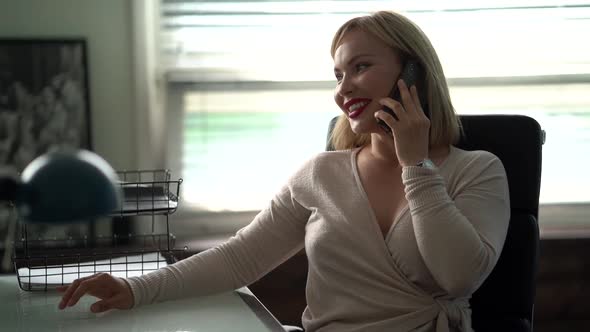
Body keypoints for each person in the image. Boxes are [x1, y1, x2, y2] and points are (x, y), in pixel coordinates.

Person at [58, 10, 509, 332]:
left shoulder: (478, 171)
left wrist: (417, 165)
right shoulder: (320, 174)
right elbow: (240, 257)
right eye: (337, 74)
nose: (343, 88)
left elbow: (459, 276)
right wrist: (134, 288)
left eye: (361, 67)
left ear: (413, 74)